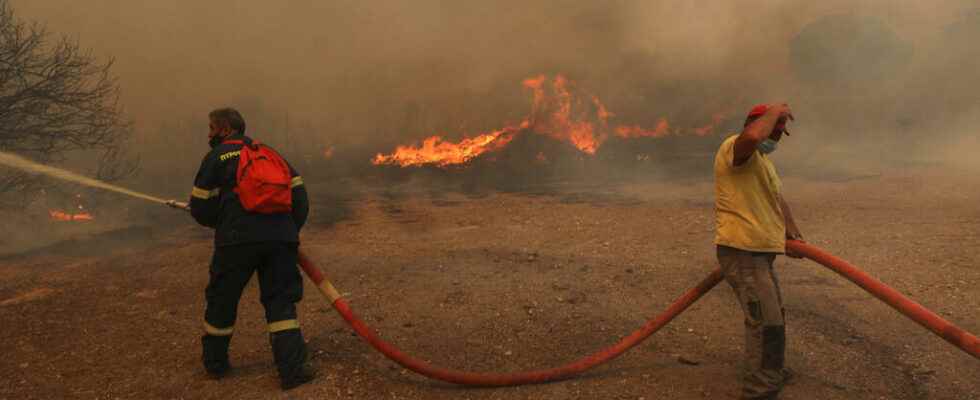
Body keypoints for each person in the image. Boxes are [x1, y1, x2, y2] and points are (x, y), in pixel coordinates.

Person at [186, 107, 313, 390]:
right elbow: (300, 195)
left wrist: (221, 221)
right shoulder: (269, 152)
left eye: (211, 128)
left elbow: (200, 205)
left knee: (222, 300)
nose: (208, 134)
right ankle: (292, 372)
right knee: (281, 302)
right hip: (280, 240)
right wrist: (289, 232)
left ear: (226, 129)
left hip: (235, 241)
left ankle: (216, 366)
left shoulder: (216, 157)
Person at [713, 103, 803, 399]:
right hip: (742, 251)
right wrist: (776, 108)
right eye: (774, 129)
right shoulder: (735, 148)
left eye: (781, 132)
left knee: (774, 315)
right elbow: (752, 138)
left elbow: (777, 197)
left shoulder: (764, 161)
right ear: (755, 123)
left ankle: (771, 371)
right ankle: (759, 388)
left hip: (760, 253)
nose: (777, 137)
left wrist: (791, 230)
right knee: (765, 320)